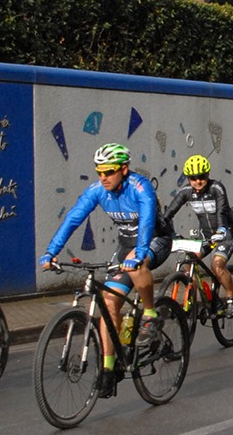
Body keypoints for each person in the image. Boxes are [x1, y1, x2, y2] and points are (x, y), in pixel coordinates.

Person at [38, 144, 171, 369]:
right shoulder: (97, 190)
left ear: (124, 169)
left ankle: (150, 314)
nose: (103, 177)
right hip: (125, 246)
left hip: (155, 239)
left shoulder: (140, 187)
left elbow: (147, 222)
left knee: (135, 266)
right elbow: (73, 219)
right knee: (109, 304)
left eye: (109, 172)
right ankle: (109, 367)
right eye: (99, 172)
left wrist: (139, 254)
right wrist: (52, 251)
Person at [163, 154, 233, 315]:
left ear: (208, 175)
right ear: (188, 179)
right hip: (206, 235)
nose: (198, 181)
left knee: (216, 266)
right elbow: (168, 214)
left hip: (225, 233)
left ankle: (231, 297)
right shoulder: (186, 192)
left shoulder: (216, 188)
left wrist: (221, 230)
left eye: (202, 177)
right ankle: (198, 300)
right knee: (188, 263)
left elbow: (221, 211)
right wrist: (164, 232)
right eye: (193, 178)